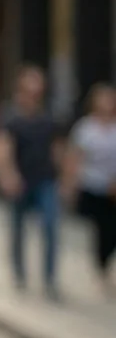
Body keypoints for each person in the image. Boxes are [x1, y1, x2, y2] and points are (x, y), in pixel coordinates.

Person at [0, 66, 65, 302]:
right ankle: (20, 274)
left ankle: (50, 279)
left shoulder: (48, 116)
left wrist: (63, 178)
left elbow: (57, 148)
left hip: (45, 180)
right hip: (20, 181)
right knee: (18, 229)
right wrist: (8, 175)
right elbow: (1, 146)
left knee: (51, 228)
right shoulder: (10, 116)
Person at [61, 83, 116, 295]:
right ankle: (101, 269)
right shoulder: (86, 128)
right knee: (101, 229)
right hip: (94, 185)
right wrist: (69, 185)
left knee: (112, 231)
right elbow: (75, 158)